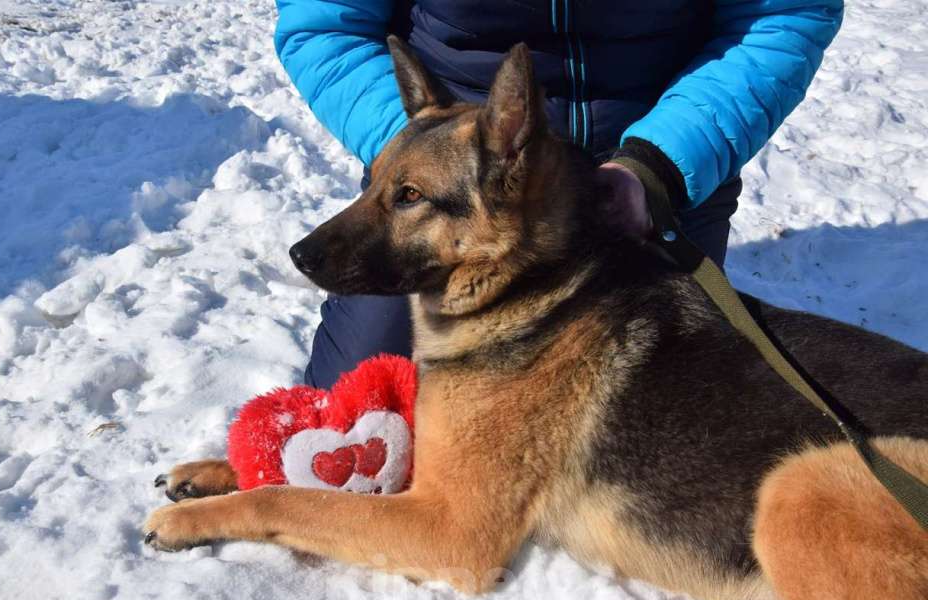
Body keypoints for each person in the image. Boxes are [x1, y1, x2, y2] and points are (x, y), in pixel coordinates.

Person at [274, 0, 844, 390]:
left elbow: (783, 16)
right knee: (357, 410)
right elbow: (326, 26)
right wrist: (430, 146)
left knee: (666, 415)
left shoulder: (661, 161)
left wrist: (660, 166)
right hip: (458, 155)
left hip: (661, 140)